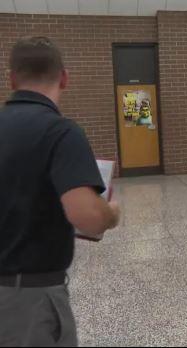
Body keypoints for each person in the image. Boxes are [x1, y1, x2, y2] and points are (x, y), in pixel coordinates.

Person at [0, 37, 120, 347]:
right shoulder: (60, 132)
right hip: (27, 299)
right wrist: (111, 213)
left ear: (12, 78)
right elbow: (88, 217)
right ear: (64, 78)